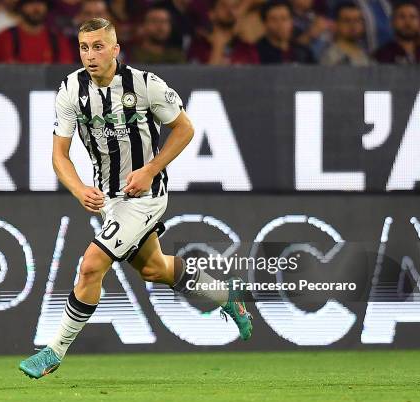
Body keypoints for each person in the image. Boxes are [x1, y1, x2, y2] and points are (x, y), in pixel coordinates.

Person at [18, 17, 253, 380]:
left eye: (99, 46)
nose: (91, 55)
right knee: (153, 269)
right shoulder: (70, 89)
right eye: (84, 47)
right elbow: (59, 155)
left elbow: (185, 129)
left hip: (146, 195)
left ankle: (54, 350)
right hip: (111, 199)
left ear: (115, 49)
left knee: (92, 264)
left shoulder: (144, 85)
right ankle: (226, 295)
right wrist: (80, 188)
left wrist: (150, 169)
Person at [235, 0, 315, 64]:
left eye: (284, 19)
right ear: (265, 23)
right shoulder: (255, 52)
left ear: (291, 21)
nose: (280, 24)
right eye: (274, 19)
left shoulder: (303, 52)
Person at [0, 0, 73, 63]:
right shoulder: (6, 37)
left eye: (40, 3)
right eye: (30, 3)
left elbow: (64, 70)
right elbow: (3, 73)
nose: (36, 8)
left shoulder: (58, 38)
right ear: (21, 7)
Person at [374, 0, 420, 64]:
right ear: (393, 22)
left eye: (413, 17)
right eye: (402, 17)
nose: (408, 22)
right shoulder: (383, 55)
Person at [320, 1, 369, 66]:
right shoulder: (331, 57)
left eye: (357, 20)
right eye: (347, 20)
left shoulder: (367, 53)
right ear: (336, 24)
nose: (353, 25)